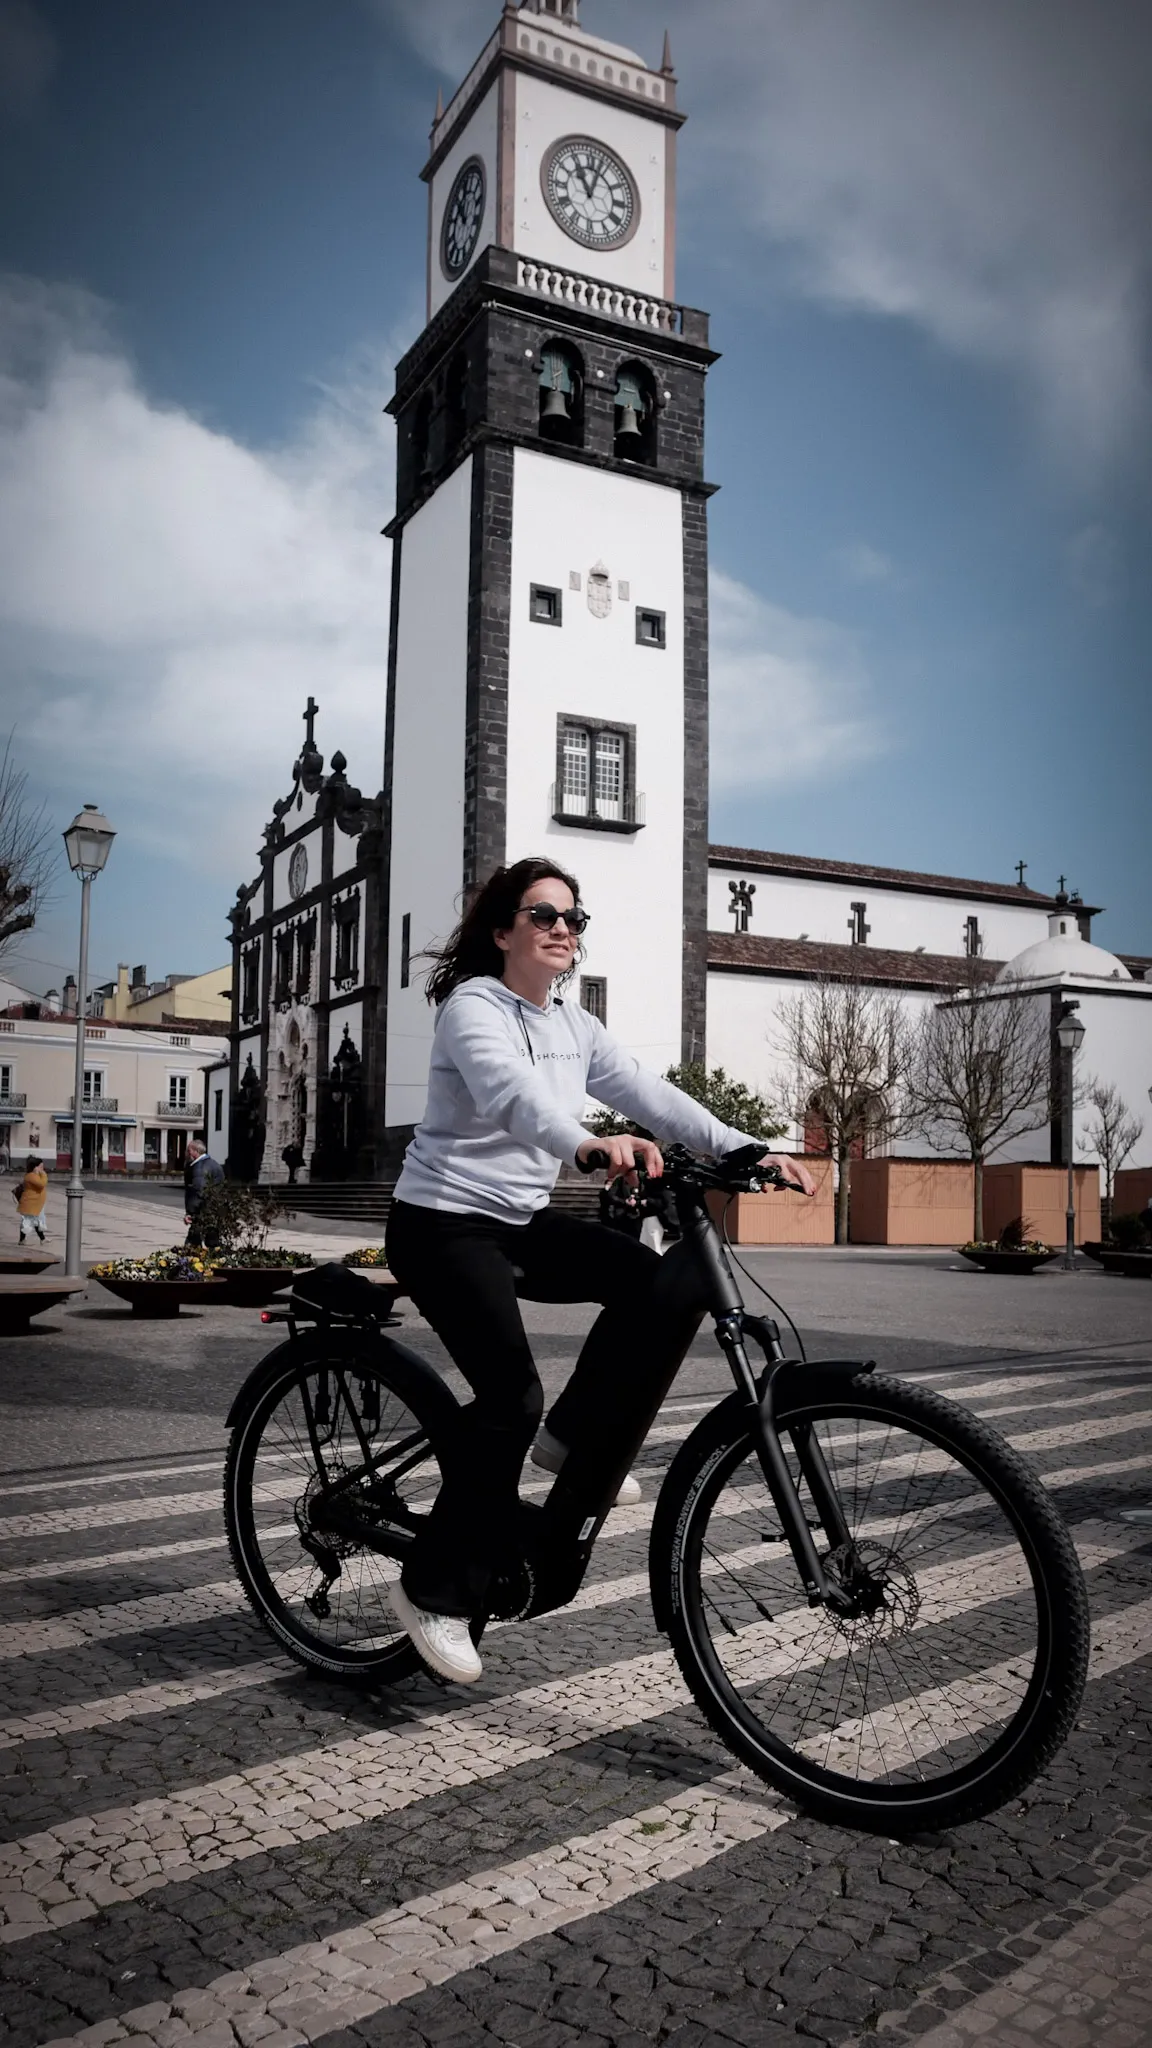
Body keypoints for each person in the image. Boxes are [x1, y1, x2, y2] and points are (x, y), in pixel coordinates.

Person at [384, 857, 815, 1686]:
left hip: (515, 1220)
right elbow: (513, 1095)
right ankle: (434, 1592)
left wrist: (746, 1150)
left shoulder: (574, 1025)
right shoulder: (474, 1007)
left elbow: (651, 1093)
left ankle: (570, 1444)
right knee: (508, 1399)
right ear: (504, 930)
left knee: (656, 1282)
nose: (561, 929)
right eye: (543, 914)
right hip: (442, 1224)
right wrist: (586, 1144)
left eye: (574, 919)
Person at [184, 1138, 224, 1247]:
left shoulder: (200, 1168)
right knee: (212, 1241)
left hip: (203, 1210)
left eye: (189, 1151)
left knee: (193, 1243)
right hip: (213, 1210)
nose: (187, 1154)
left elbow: (199, 1191)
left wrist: (191, 1213)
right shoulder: (213, 1163)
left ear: (195, 1151)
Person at [15, 1156, 48, 1244]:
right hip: (30, 1203)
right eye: (40, 1167)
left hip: (35, 1203)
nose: (42, 1169)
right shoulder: (31, 1176)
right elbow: (42, 1184)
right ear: (35, 1167)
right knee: (27, 1221)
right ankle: (22, 1240)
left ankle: (42, 1239)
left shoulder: (34, 1176)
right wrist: (43, 1174)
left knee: (35, 1221)